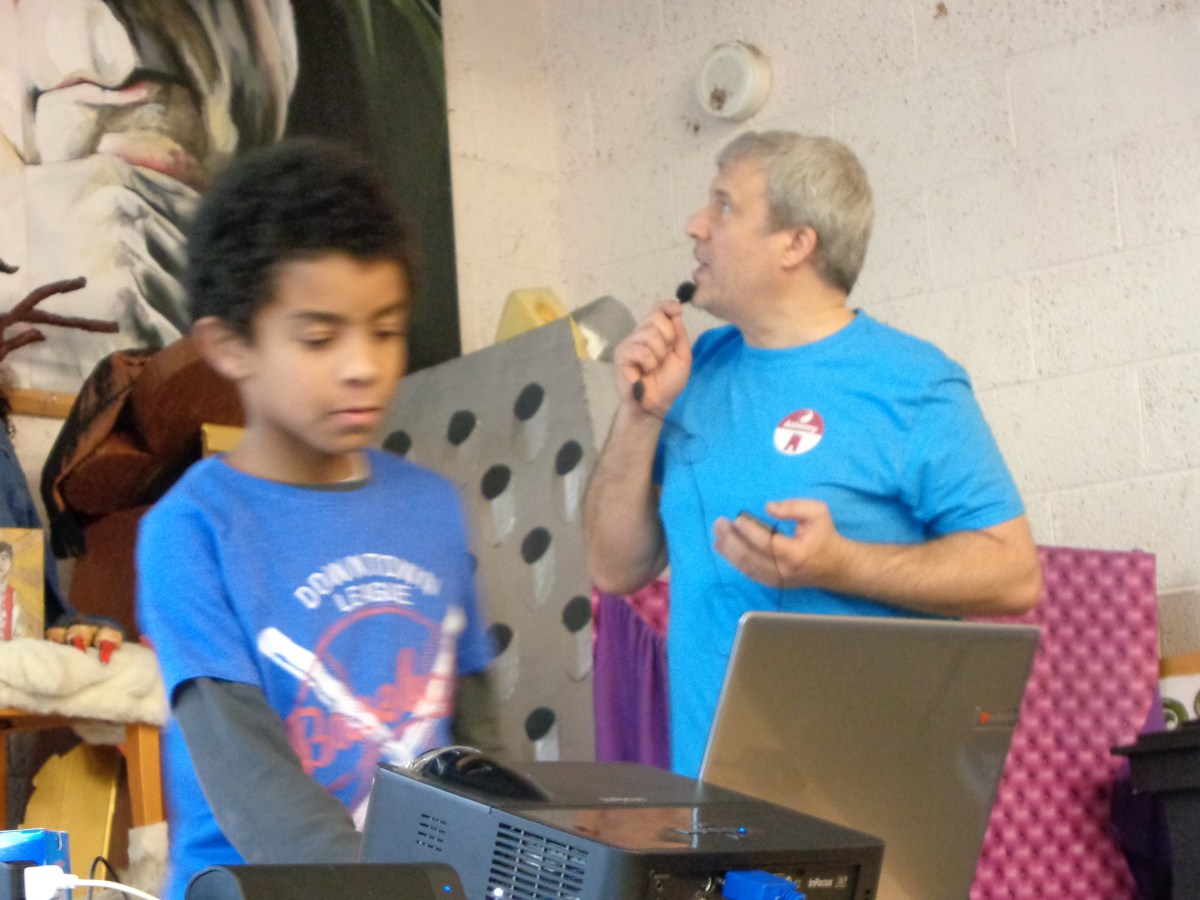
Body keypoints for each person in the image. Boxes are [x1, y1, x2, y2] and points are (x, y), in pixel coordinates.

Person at [583, 131, 1043, 778]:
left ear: (797, 244)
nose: (695, 225)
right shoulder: (692, 372)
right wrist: (639, 414)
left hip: (873, 797)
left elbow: (1015, 575)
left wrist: (840, 564)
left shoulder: (913, 382)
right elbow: (613, 568)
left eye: (724, 206)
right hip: (713, 795)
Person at [135, 138, 497, 899]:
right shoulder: (193, 529)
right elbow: (251, 782)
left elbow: (477, 742)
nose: (363, 366)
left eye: (386, 330)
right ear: (231, 346)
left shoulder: (433, 506)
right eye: (320, 338)